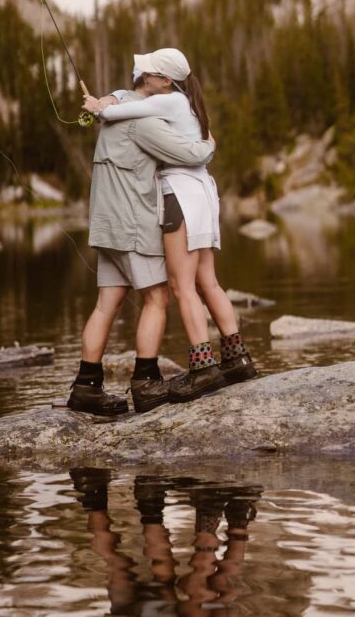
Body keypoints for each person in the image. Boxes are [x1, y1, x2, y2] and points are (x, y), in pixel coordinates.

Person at [83, 48, 256, 404]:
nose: (139, 75)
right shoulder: (181, 105)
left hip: (154, 205)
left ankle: (194, 368)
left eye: (146, 72)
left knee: (175, 289)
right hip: (194, 197)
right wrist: (208, 144)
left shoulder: (149, 112)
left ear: (163, 80)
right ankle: (235, 358)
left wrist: (102, 105)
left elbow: (128, 110)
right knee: (199, 283)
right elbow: (192, 150)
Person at [67, 66, 215, 417]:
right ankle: (146, 381)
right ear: (149, 86)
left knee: (107, 304)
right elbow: (191, 154)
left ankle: (86, 386)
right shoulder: (143, 121)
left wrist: (112, 97)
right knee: (157, 297)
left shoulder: (112, 113)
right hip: (132, 223)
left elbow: (117, 97)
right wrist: (209, 142)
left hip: (105, 224)